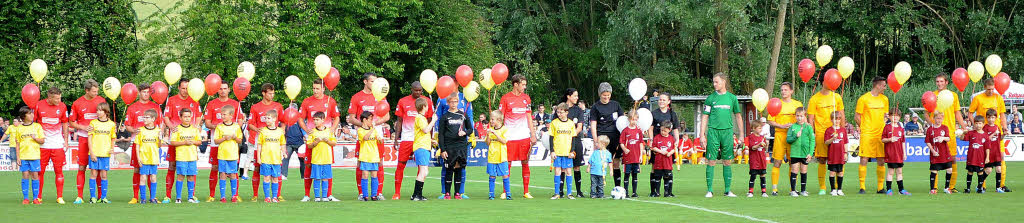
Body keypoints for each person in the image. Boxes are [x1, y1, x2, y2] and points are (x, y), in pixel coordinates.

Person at [701, 73, 745, 198]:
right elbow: (705, 116)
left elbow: (738, 115)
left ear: (724, 82)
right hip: (713, 132)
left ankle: (727, 190)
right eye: (713, 82)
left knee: (727, 161)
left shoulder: (732, 98)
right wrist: (702, 134)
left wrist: (741, 134)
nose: (714, 84)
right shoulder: (710, 98)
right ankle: (709, 190)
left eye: (717, 82)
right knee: (711, 160)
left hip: (727, 132)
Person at [346, 73, 389, 200]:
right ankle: (361, 193)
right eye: (372, 81)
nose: (374, 84)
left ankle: (378, 192)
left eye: (376, 82)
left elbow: (387, 116)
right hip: (363, 134)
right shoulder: (356, 97)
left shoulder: (381, 96)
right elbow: (351, 118)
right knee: (360, 163)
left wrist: (374, 124)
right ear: (365, 82)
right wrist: (365, 126)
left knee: (379, 162)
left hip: (377, 132)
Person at [298, 79, 341, 202]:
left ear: (323, 89)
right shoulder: (307, 101)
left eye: (317, 88)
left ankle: (329, 194)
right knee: (308, 165)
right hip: (313, 139)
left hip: (326, 141)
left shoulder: (330, 101)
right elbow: (300, 118)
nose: (315, 91)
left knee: (327, 167)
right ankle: (307, 195)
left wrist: (332, 129)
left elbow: (337, 117)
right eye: (313, 88)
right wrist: (306, 129)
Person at [392, 81, 434, 200]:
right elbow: (399, 121)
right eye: (416, 90)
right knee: (400, 165)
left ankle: (417, 192)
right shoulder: (403, 101)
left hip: (421, 140)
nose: (418, 92)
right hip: (407, 138)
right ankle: (397, 192)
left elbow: (430, 119)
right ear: (411, 89)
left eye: (420, 90)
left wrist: (431, 139)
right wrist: (396, 138)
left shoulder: (427, 101)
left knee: (422, 167)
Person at [161, 79, 201, 203]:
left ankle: (191, 195)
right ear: (179, 88)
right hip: (177, 138)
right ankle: (168, 195)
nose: (185, 91)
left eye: (187, 88)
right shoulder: (172, 100)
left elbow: (199, 115)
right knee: (172, 166)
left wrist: (196, 126)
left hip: (190, 139)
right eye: (183, 88)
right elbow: (166, 117)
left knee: (191, 168)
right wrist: (171, 127)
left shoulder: (194, 99)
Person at [968, 78, 1011, 192]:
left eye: (992, 89)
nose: (991, 91)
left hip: (997, 133)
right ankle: (982, 185)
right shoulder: (978, 98)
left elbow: (1002, 115)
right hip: (984, 134)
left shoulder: (998, 98)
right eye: (988, 89)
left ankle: (1001, 185)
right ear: (984, 87)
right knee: (984, 161)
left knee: (1001, 158)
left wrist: (1004, 127)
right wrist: (975, 125)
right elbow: (970, 113)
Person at [69, 79, 107, 204]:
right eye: (94, 91)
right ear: (87, 90)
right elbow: (72, 122)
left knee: (99, 168)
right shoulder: (77, 103)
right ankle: (80, 196)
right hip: (84, 139)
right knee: (82, 166)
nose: (96, 93)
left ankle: (101, 196)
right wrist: (83, 127)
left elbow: (107, 118)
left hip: (99, 139)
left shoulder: (101, 101)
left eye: (97, 91)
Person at [928, 73, 968, 192]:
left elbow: (957, 113)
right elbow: (926, 113)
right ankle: (934, 187)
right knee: (935, 159)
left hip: (949, 133)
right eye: (937, 81)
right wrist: (932, 126)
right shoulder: (931, 96)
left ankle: (951, 187)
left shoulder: (953, 95)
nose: (939, 83)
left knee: (952, 158)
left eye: (941, 81)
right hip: (935, 135)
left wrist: (964, 126)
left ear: (946, 82)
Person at [203, 83, 243, 202]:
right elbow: (207, 123)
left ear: (229, 90)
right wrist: (220, 126)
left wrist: (232, 129)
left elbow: (240, 120)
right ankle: (212, 195)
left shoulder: (235, 104)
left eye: (225, 88)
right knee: (215, 167)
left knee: (233, 171)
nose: (223, 91)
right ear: (217, 90)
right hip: (218, 139)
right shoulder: (211, 104)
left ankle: (235, 195)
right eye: (220, 89)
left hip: (231, 143)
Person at [501, 74, 537, 198]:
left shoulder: (526, 98)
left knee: (525, 162)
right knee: (508, 163)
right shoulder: (505, 98)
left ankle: (526, 191)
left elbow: (528, 117)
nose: (524, 87)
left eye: (525, 84)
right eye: (523, 84)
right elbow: (500, 118)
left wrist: (533, 135)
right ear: (515, 84)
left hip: (524, 136)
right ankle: (505, 192)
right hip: (510, 137)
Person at [124, 83, 162, 203]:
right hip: (139, 143)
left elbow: (160, 124)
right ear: (139, 93)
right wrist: (135, 130)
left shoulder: (156, 107)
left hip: (152, 144)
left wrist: (162, 135)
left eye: (148, 92)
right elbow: (127, 126)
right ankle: (136, 196)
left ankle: (153, 197)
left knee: (152, 172)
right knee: (137, 170)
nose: (146, 94)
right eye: (144, 92)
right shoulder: (132, 107)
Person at [434, 88, 474, 199]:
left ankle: (457, 193)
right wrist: (442, 149)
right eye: (451, 102)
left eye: (455, 101)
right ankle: (447, 193)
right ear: (448, 103)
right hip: (449, 147)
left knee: (459, 169)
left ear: (458, 102)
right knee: (449, 169)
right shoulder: (444, 117)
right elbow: (441, 134)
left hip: (461, 146)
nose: (453, 104)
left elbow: (470, 129)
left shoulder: (463, 115)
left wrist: (464, 132)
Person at [246, 84, 283, 201]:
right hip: (260, 141)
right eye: (269, 93)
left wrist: (282, 131)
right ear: (263, 93)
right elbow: (250, 123)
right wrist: (256, 129)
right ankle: (255, 194)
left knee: (277, 169)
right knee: (257, 167)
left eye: (273, 93)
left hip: (274, 142)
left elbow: (283, 121)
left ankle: (277, 195)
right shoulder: (256, 107)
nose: (272, 95)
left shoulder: (278, 106)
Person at [806, 79, 844, 195]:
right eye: (828, 81)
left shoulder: (837, 97)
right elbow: (811, 118)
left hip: (836, 133)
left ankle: (837, 187)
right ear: (823, 82)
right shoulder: (814, 99)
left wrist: (842, 130)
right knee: (822, 159)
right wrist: (812, 133)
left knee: (839, 160)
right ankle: (822, 187)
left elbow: (841, 114)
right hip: (821, 133)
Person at [34, 87, 69, 204]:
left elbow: (65, 123)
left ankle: (60, 197)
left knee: (59, 171)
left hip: (57, 144)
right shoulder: (38, 105)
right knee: (40, 172)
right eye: (57, 98)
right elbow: (32, 123)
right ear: (49, 97)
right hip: (42, 145)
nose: (59, 101)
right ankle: (38, 196)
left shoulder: (63, 106)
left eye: (60, 98)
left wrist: (66, 141)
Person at [767, 82, 802, 196]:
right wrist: (781, 126)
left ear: (791, 91)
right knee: (777, 162)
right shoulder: (776, 104)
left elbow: (802, 118)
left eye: (786, 90)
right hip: (780, 135)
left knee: (793, 163)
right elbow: (770, 120)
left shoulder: (797, 104)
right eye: (782, 90)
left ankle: (793, 189)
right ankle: (774, 189)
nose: (783, 92)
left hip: (793, 137)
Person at [855, 76, 889, 194]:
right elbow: (857, 116)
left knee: (881, 160)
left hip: (880, 134)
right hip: (867, 134)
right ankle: (862, 187)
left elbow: (885, 116)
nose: (885, 88)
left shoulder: (885, 99)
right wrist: (864, 128)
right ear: (878, 85)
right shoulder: (863, 99)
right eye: (884, 85)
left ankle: (880, 187)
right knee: (864, 159)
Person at [590, 82, 624, 193]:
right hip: (602, 137)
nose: (606, 97)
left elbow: (622, 121)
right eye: (604, 95)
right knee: (599, 163)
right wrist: (596, 140)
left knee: (615, 162)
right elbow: (593, 124)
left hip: (615, 137)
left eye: (608, 95)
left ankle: (618, 187)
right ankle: (597, 189)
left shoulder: (616, 105)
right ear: (600, 94)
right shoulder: (595, 107)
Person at [169, 109, 202, 203]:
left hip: (192, 157)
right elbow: (173, 142)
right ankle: (178, 198)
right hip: (181, 157)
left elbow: (199, 141)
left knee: (191, 176)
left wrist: (193, 142)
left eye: (189, 116)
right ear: (180, 117)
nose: (187, 118)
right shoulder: (177, 129)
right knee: (180, 176)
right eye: (185, 116)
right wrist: (184, 142)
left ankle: (190, 197)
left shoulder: (194, 129)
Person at [14, 106, 45, 204]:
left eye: (32, 113)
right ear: (24, 116)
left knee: (35, 176)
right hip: (23, 157)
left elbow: (42, 141)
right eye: (29, 113)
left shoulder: (37, 126)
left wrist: (35, 138)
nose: (32, 115)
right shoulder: (19, 129)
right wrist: (18, 157)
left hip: (34, 156)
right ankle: (26, 198)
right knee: (25, 175)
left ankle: (36, 198)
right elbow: (17, 144)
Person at [213, 105, 244, 203]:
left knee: (233, 174)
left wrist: (234, 137)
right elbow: (216, 141)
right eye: (221, 114)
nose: (222, 116)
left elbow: (240, 141)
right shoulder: (219, 127)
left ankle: (234, 195)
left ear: (231, 115)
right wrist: (224, 138)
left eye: (224, 114)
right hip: (222, 155)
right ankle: (223, 197)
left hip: (233, 155)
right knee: (222, 174)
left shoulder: (236, 127)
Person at [86, 103, 116, 203]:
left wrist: (112, 148)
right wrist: (92, 153)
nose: (98, 112)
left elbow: (113, 138)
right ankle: (93, 197)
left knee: (104, 175)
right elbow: (89, 139)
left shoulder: (111, 124)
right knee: (93, 174)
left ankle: (103, 197)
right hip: (94, 153)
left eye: (100, 110)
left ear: (106, 112)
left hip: (105, 154)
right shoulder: (93, 123)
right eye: (97, 110)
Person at [548, 103, 578, 199]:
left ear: (566, 112)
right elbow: (551, 138)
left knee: (569, 171)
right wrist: (552, 151)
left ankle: (569, 193)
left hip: (567, 152)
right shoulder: (554, 123)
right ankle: (557, 193)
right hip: (557, 152)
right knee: (557, 171)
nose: (559, 114)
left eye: (561, 112)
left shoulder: (571, 123)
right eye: (558, 112)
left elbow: (573, 138)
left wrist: (572, 151)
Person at [307, 112, 337, 202]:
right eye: (314, 120)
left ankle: (324, 196)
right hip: (316, 159)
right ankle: (317, 197)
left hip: (326, 159)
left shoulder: (329, 131)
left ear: (323, 120)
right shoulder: (312, 132)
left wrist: (327, 140)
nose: (315, 121)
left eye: (317, 120)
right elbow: (309, 145)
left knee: (325, 178)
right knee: (316, 178)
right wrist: (315, 142)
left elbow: (334, 143)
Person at [256, 109, 286, 203]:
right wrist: (258, 157)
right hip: (265, 159)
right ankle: (267, 197)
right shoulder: (263, 131)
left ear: (274, 119)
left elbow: (282, 144)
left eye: (268, 118)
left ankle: (274, 197)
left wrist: (284, 152)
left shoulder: (280, 131)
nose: (266, 120)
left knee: (275, 178)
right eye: (266, 118)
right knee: (266, 177)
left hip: (276, 159)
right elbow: (259, 145)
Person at [410, 98, 436, 201]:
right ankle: (417, 194)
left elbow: (422, 133)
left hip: (424, 146)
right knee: (423, 171)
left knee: (424, 171)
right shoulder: (420, 118)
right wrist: (433, 121)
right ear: (423, 107)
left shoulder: (421, 118)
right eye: (426, 106)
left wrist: (430, 140)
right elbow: (425, 130)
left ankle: (416, 194)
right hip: (421, 147)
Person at [563, 88, 587, 197]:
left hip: (575, 140)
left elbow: (580, 127)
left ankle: (579, 191)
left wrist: (571, 136)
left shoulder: (578, 110)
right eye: (575, 96)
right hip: (562, 142)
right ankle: (560, 191)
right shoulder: (561, 108)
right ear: (568, 96)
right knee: (563, 166)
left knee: (576, 166)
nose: (577, 98)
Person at [649, 92, 680, 174]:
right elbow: (650, 128)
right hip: (657, 144)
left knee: (668, 167)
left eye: (663, 100)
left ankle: (668, 185)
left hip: (668, 144)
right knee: (654, 167)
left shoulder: (672, 114)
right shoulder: (654, 113)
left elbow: (675, 129)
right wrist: (651, 140)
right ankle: (654, 186)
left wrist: (677, 140)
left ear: (668, 101)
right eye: (660, 99)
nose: (661, 101)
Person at [136, 109, 162, 204]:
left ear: (153, 119)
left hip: (154, 158)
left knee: (153, 177)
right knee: (143, 178)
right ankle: (143, 198)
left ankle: (153, 197)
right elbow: (137, 144)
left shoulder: (157, 131)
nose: (144, 119)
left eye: (147, 117)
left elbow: (159, 145)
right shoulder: (141, 130)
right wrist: (138, 157)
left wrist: (160, 139)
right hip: (144, 158)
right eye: (144, 117)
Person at [786, 108, 813, 197]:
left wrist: (810, 153)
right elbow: (788, 139)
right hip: (795, 153)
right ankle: (793, 190)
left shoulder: (808, 127)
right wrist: (796, 137)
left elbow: (812, 141)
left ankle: (803, 190)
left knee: (804, 171)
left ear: (805, 116)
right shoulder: (793, 127)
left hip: (805, 153)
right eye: (797, 116)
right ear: (795, 116)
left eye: (801, 116)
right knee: (794, 170)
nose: (799, 118)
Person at [881, 108, 909, 196]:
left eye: (897, 116)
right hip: (891, 154)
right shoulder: (887, 127)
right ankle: (889, 189)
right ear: (889, 117)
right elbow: (883, 139)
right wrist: (890, 139)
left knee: (899, 171)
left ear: (899, 117)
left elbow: (903, 142)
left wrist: (904, 153)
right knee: (890, 172)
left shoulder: (901, 129)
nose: (895, 118)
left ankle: (901, 189)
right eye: (893, 116)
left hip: (899, 154)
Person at [355, 112, 382, 201]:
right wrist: (372, 129)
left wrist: (380, 139)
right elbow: (365, 138)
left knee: (374, 175)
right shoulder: (360, 130)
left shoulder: (374, 130)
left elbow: (379, 141)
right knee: (365, 175)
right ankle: (365, 195)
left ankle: (374, 195)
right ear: (364, 120)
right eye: (370, 119)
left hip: (374, 156)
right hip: (365, 156)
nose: (372, 121)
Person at [925, 112, 954, 194]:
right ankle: (933, 189)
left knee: (949, 169)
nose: (939, 120)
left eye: (940, 118)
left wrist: (943, 138)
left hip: (945, 153)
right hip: (935, 154)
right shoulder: (930, 129)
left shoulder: (945, 127)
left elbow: (948, 138)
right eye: (937, 118)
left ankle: (947, 187)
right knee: (934, 171)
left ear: (943, 119)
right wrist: (933, 151)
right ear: (933, 118)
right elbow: (927, 142)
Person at [485, 110, 511, 200]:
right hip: (492, 156)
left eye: (493, 119)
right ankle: (491, 194)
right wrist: (488, 135)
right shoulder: (490, 130)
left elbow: (504, 141)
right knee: (492, 175)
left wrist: (495, 134)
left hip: (502, 156)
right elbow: (488, 143)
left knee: (505, 175)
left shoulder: (504, 129)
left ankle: (508, 193)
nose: (491, 121)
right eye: (490, 119)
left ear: (499, 120)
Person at [619, 110, 644, 198]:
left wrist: (640, 155)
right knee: (627, 174)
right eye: (632, 119)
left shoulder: (639, 131)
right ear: (629, 119)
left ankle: (634, 192)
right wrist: (624, 149)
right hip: (628, 157)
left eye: (636, 119)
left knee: (635, 175)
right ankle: (626, 192)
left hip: (636, 157)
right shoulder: (625, 131)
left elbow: (641, 143)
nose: (634, 121)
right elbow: (621, 142)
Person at [824, 111, 849, 196]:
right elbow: (826, 142)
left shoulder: (843, 130)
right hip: (832, 155)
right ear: (831, 120)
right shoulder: (828, 130)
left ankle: (839, 189)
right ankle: (833, 189)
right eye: (835, 119)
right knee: (832, 172)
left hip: (841, 155)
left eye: (839, 119)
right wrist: (832, 138)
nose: (837, 121)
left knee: (840, 172)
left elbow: (845, 142)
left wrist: (845, 153)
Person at [962, 116, 989, 194]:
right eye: (976, 123)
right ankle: (968, 188)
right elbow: (962, 138)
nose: (978, 125)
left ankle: (980, 188)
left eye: (980, 123)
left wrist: (987, 157)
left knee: (980, 173)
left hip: (980, 158)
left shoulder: (985, 135)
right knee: (970, 172)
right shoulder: (971, 133)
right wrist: (963, 134)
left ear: (983, 124)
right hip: (971, 157)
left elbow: (987, 148)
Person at [650, 120, 677, 197]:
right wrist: (661, 151)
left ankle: (667, 192)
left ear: (669, 130)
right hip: (658, 162)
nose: (662, 132)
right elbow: (653, 148)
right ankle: (657, 192)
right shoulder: (657, 138)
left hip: (667, 162)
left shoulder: (671, 138)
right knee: (657, 177)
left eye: (664, 131)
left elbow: (673, 149)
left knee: (667, 177)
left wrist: (670, 153)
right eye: (661, 130)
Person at [983, 110, 1006, 193]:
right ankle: (980, 183)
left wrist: (1004, 134)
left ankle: (998, 188)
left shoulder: (997, 127)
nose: (991, 119)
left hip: (997, 152)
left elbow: (1000, 139)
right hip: (989, 153)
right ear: (987, 118)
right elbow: (985, 139)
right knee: (988, 170)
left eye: (993, 117)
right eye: (989, 117)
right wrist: (993, 134)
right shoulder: (985, 127)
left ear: (996, 118)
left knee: (999, 169)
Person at [745, 122, 768, 197]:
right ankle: (750, 192)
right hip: (754, 160)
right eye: (759, 128)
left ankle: (764, 192)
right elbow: (753, 147)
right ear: (754, 128)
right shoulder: (751, 137)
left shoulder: (762, 137)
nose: (761, 129)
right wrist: (759, 145)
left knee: (763, 175)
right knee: (753, 175)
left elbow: (765, 148)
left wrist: (766, 145)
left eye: (761, 128)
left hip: (762, 159)